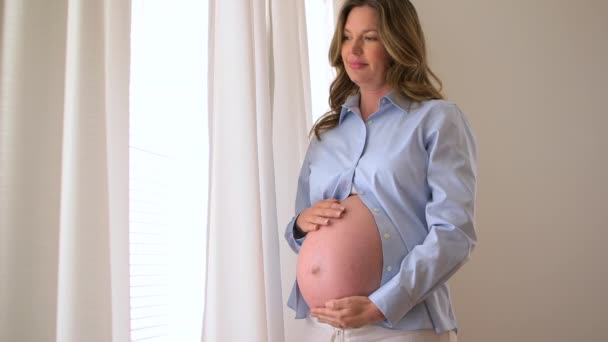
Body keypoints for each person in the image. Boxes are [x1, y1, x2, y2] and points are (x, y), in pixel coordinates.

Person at [284, 0, 477, 341]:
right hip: (323, 326)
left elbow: (454, 234)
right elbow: (299, 231)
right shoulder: (326, 134)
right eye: (346, 37)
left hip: (401, 325)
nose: (353, 49)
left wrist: (381, 305)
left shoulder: (436, 120)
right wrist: (301, 224)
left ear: (397, 42)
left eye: (369, 37)